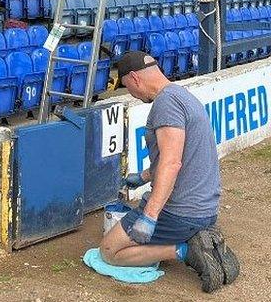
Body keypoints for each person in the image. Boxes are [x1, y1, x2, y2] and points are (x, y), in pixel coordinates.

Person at [101, 52, 239, 293]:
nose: (130, 93)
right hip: (206, 209)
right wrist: (143, 177)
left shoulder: (166, 103)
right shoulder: (183, 96)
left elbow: (172, 163)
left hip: (180, 212)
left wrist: (150, 216)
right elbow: (179, 157)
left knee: (109, 252)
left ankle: (187, 250)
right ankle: (199, 237)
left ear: (134, 78)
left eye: (126, 87)